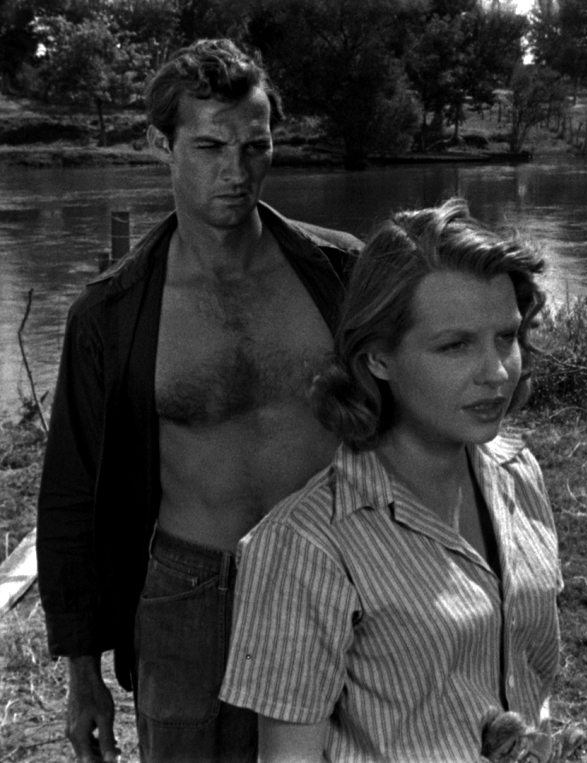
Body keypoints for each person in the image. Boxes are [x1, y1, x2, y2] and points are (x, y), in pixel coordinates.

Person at [35, 38, 361, 763]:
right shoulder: (111, 314)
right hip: (192, 593)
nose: (236, 172)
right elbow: (71, 494)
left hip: (335, 576)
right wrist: (83, 674)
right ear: (162, 145)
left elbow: (413, 414)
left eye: (255, 146)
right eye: (210, 146)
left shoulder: (341, 273)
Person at [219, 199, 581, 762]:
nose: (496, 373)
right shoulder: (304, 547)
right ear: (378, 358)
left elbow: (529, 680)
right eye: (455, 345)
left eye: (506, 337)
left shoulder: (519, 475)